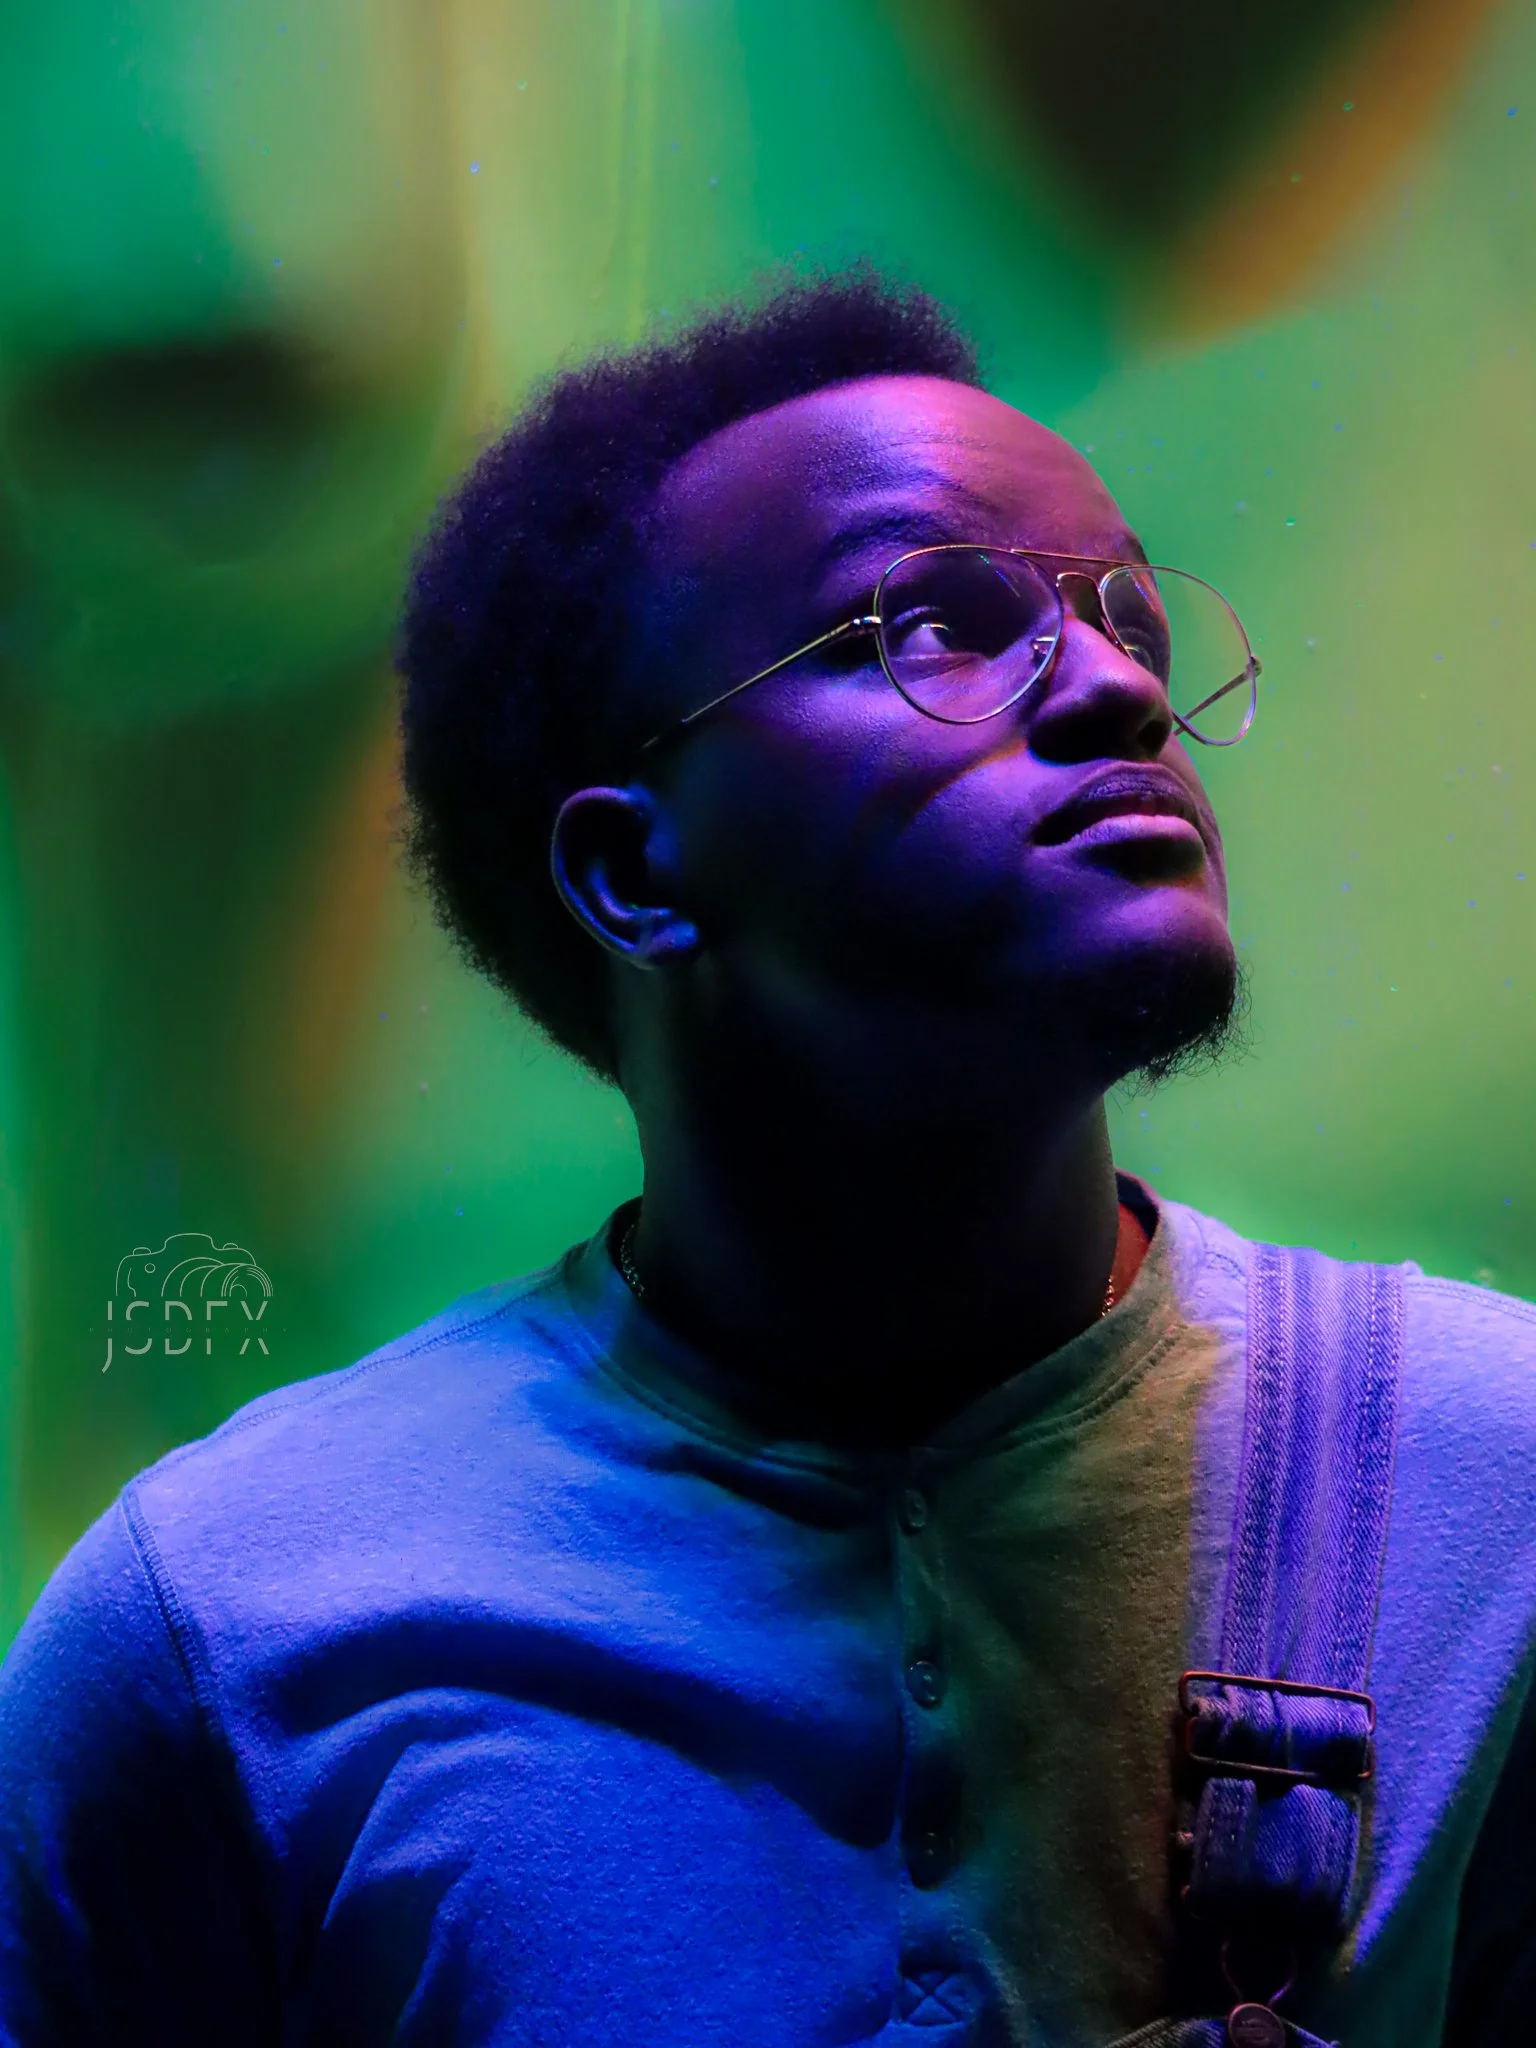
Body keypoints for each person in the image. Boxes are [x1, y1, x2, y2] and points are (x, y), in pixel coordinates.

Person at [1, 268, 1533, 2047]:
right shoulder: (229, 1630)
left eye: (1131, 620)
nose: (1120, 689)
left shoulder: (1493, 1496)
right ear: (636, 876)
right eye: (936, 622)